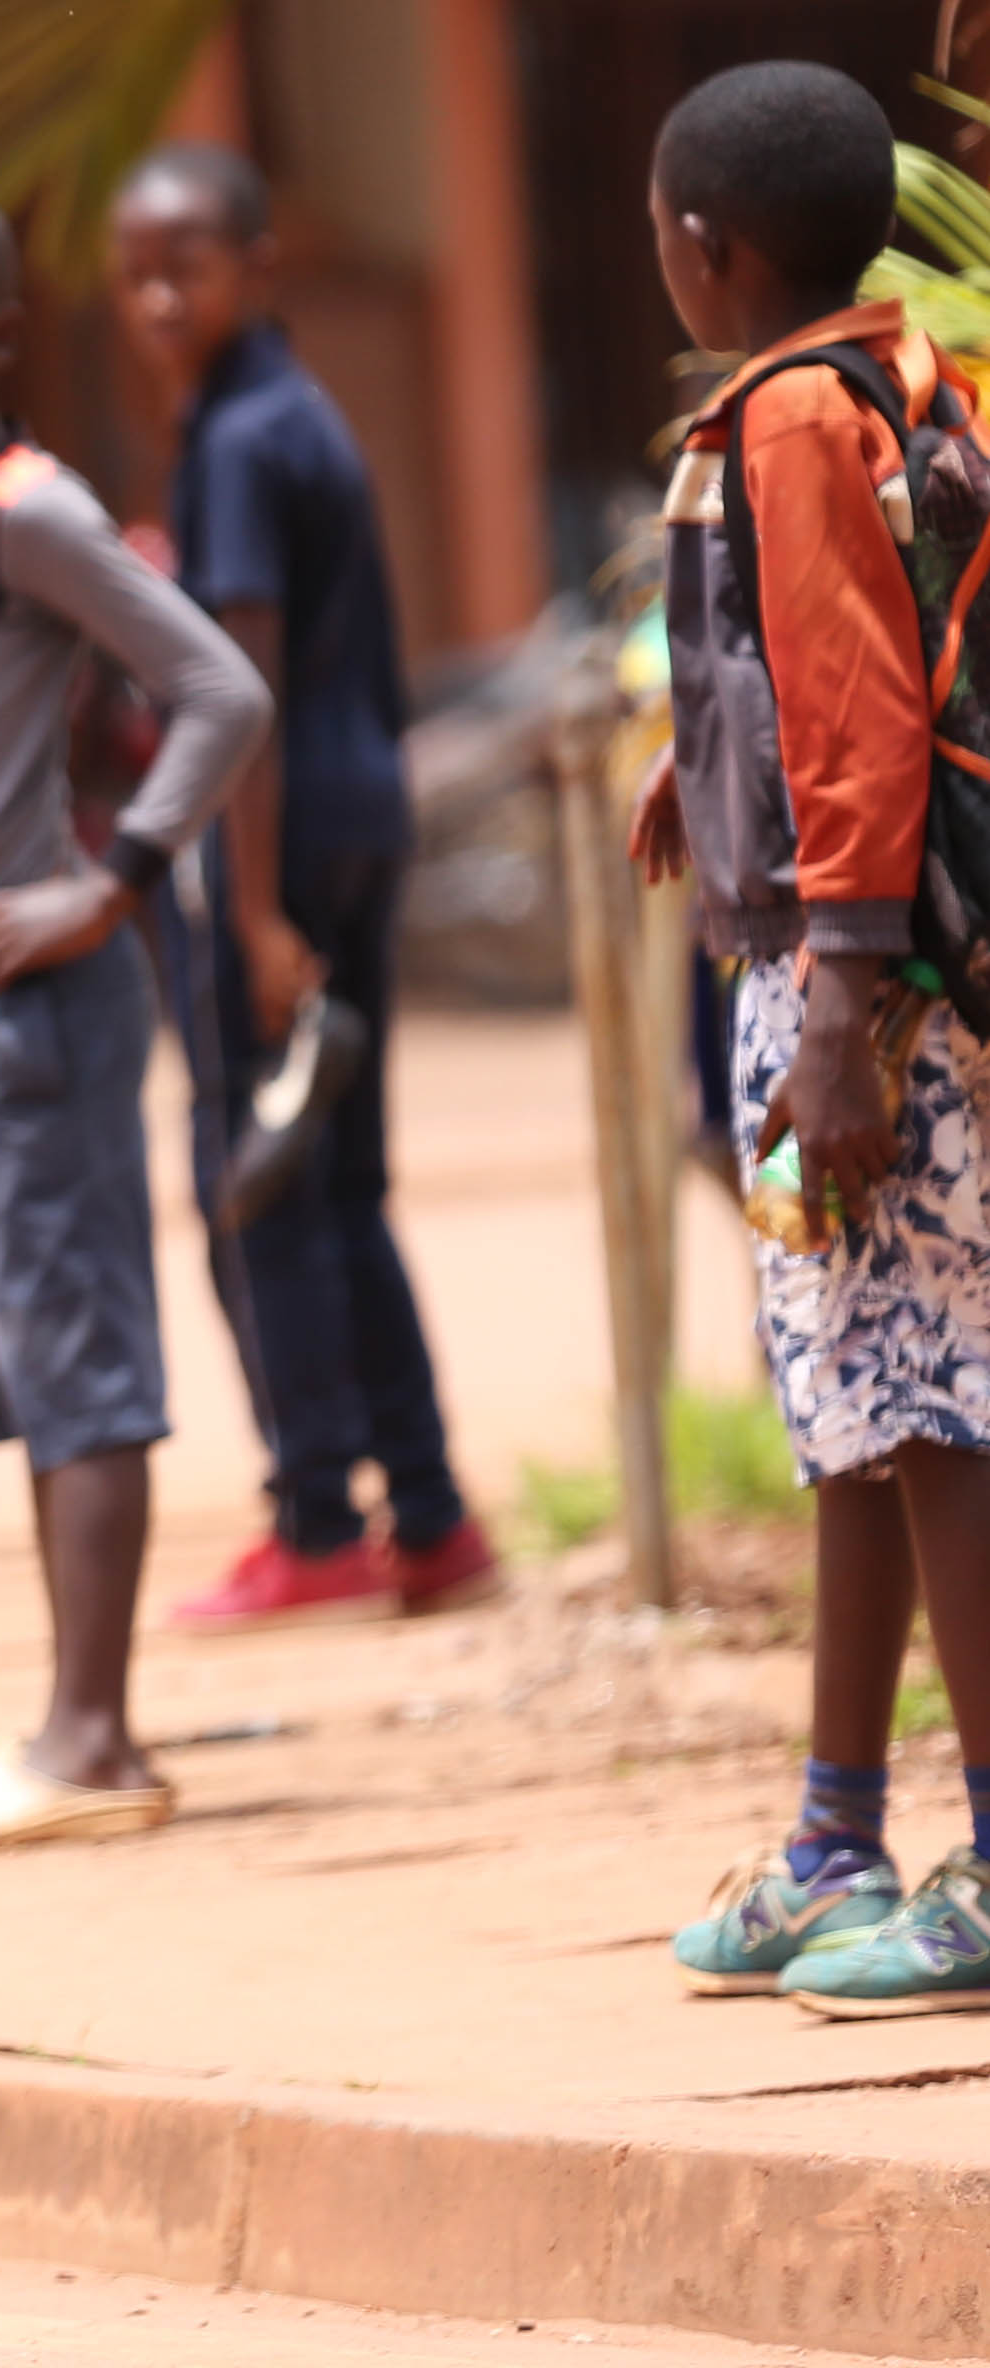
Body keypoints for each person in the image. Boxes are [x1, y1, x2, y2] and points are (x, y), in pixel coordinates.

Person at [0, 184, 273, 1858]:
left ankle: (93, 1734)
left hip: (35, 1006)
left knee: (77, 1357)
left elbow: (222, 688)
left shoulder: (29, 511)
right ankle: (73, 1716)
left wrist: (115, 882)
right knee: (25, 1350)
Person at [642, 64, 990, 2016]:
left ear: (703, 246)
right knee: (860, 1414)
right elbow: (825, 663)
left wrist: (842, 1010)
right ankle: (832, 1837)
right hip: (848, 959)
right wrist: (695, 783)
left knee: (932, 1413)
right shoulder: (892, 376)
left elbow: (853, 705)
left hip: (859, 991)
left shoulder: (784, 415)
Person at [106, 144, 498, 1632]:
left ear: (256, 267)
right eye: (135, 275)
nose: (157, 299)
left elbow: (242, 688)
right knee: (339, 1177)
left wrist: (257, 910)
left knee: (258, 1178)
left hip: (281, 843)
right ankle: (431, 1513)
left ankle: (319, 1515)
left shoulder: (237, 440)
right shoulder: (295, 411)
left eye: (185, 267)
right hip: (358, 814)